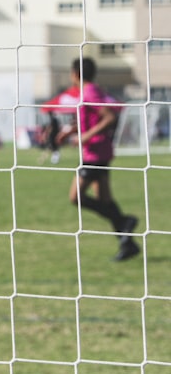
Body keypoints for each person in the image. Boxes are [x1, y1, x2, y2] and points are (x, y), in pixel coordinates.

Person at [56, 57, 140, 262]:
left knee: (76, 197)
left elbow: (109, 117)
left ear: (75, 74)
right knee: (105, 200)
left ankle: (125, 221)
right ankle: (127, 243)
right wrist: (72, 131)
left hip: (95, 153)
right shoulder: (91, 91)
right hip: (98, 151)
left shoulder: (91, 91)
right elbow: (91, 119)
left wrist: (85, 136)